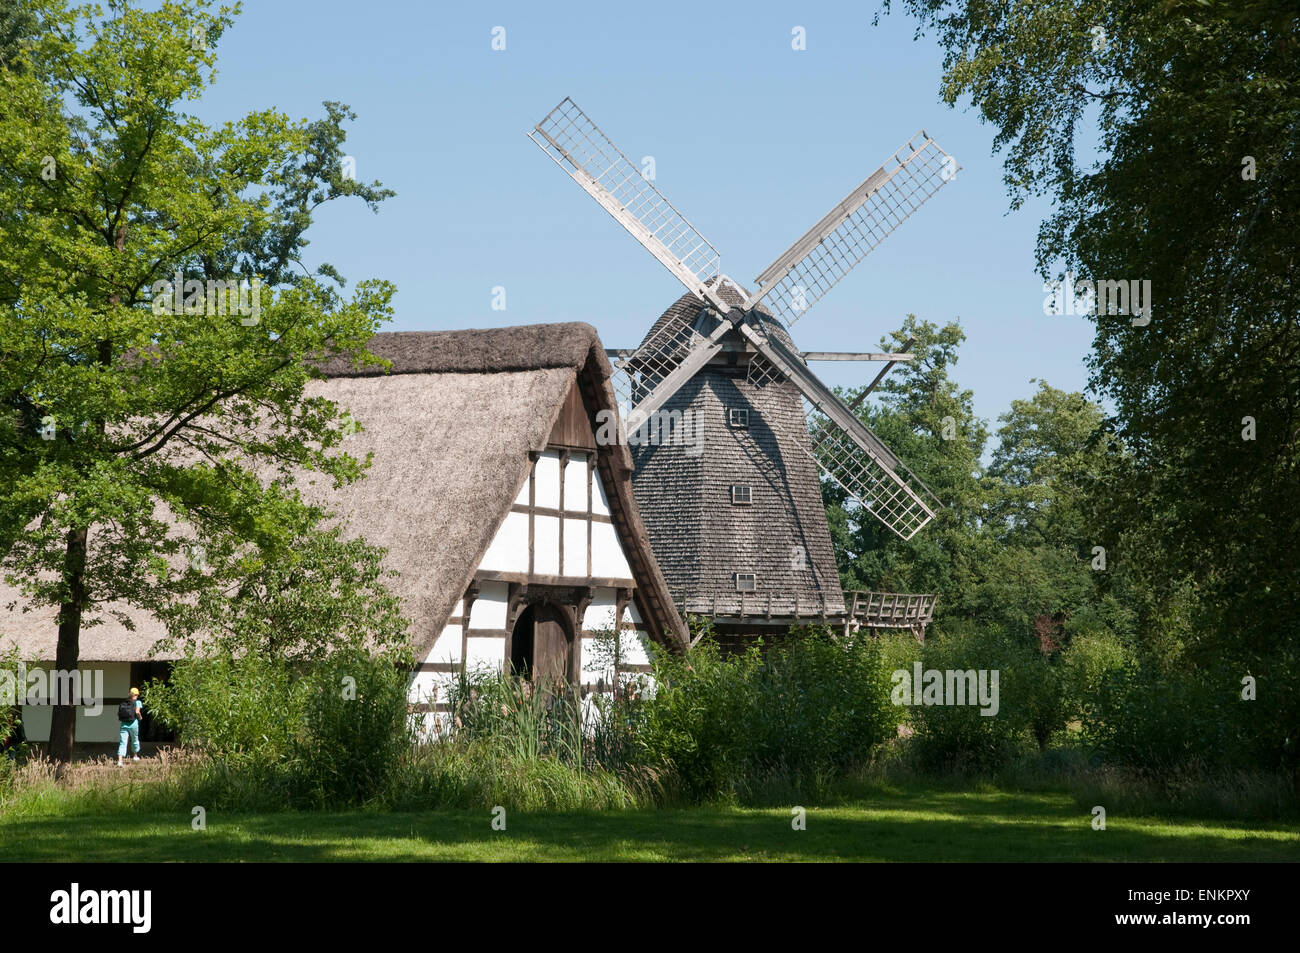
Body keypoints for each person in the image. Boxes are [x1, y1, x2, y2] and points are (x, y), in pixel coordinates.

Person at [117, 687, 142, 766]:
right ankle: (135, 756)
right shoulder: (138, 702)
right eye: (137, 694)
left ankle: (120, 761)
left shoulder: (124, 702)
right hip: (133, 724)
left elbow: (118, 713)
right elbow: (137, 712)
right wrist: (140, 717)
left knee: (123, 742)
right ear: (136, 695)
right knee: (134, 739)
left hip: (124, 724)